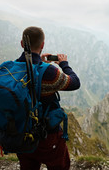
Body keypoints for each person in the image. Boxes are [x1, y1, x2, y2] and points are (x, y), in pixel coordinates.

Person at [16, 26, 80, 170]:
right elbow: (75, 82)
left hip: (21, 134)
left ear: (22, 44)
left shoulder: (12, 68)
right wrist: (64, 64)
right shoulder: (49, 73)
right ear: (42, 45)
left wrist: (42, 64)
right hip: (47, 136)